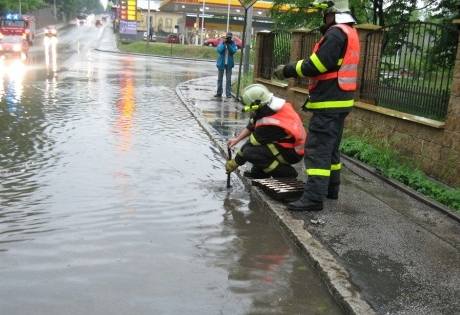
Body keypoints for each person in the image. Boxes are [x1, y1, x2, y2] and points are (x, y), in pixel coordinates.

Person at [273, 0, 360, 211]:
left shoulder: (336, 33)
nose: (324, 18)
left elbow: (317, 65)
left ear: (333, 14)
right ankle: (331, 189)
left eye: (326, 14)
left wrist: (288, 70)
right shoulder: (350, 32)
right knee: (330, 150)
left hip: (329, 102)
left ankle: (313, 198)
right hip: (341, 101)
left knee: (318, 151)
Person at [225, 84, 306, 179]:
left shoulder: (270, 123)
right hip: (285, 145)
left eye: (252, 108)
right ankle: (259, 174)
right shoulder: (268, 106)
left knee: (250, 153)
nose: (251, 111)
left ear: (257, 105)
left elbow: (252, 142)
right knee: (258, 149)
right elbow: (252, 125)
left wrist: (236, 162)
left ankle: (286, 173)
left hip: (292, 153)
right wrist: (237, 139)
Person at [214, 32, 238, 99]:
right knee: (219, 79)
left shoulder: (233, 44)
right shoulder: (222, 42)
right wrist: (224, 44)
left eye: (230, 37)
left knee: (228, 80)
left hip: (229, 64)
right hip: (221, 63)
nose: (228, 39)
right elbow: (219, 50)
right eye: (228, 37)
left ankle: (228, 94)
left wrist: (229, 45)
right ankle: (219, 93)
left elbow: (233, 51)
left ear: (231, 37)